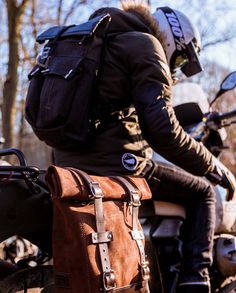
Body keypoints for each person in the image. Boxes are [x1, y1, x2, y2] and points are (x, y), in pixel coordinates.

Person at [52, 2, 232, 292]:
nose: (177, 70)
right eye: (180, 62)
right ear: (173, 38)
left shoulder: (89, 40)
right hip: (118, 165)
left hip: (68, 167)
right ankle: (194, 281)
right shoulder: (145, 45)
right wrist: (212, 165)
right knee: (204, 192)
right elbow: (163, 130)